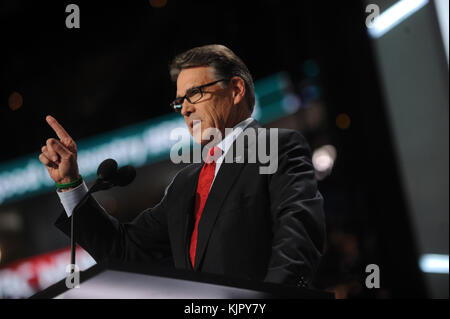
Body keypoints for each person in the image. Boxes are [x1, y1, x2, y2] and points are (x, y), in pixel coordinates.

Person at [39, 44, 326, 287]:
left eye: (195, 93)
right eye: (179, 102)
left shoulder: (276, 148)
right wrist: (71, 184)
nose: (185, 109)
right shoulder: (185, 184)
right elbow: (123, 250)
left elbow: (298, 246)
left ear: (236, 89)